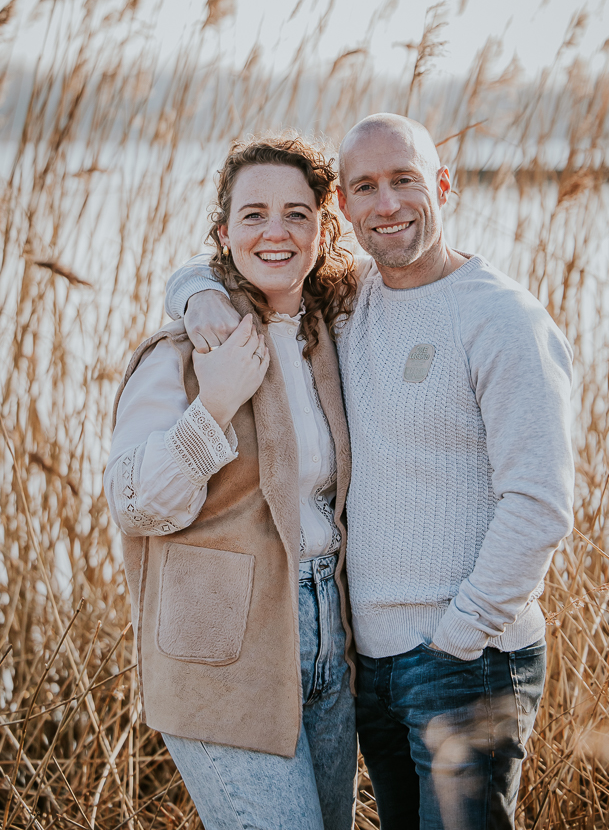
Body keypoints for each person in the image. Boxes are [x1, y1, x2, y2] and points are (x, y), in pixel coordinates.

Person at [164, 113, 575, 830]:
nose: (386, 204)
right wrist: (196, 294)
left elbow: (539, 503)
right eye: (364, 188)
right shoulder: (348, 301)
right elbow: (241, 257)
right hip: (371, 667)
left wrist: (460, 632)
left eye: (404, 181)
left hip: (464, 660)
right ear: (341, 212)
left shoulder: (501, 319)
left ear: (440, 186)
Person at [104, 136, 360, 830]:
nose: (274, 232)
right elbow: (134, 506)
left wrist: (192, 282)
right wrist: (213, 403)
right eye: (252, 215)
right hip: (221, 651)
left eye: (294, 214)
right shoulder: (183, 354)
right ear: (223, 232)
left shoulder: (331, 333)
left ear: (322, 228)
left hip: (329, 648)